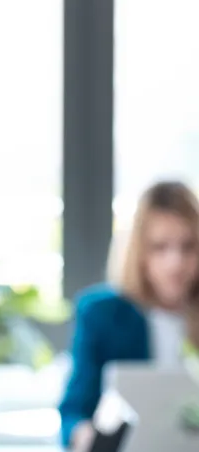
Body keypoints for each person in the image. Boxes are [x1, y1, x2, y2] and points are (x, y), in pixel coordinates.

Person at [58, 181, 199, 450]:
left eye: (188, 247)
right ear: (139, 251)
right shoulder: (102, 314)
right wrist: (88, 437)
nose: (175, 262)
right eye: (160, 247)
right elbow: (74, 411)